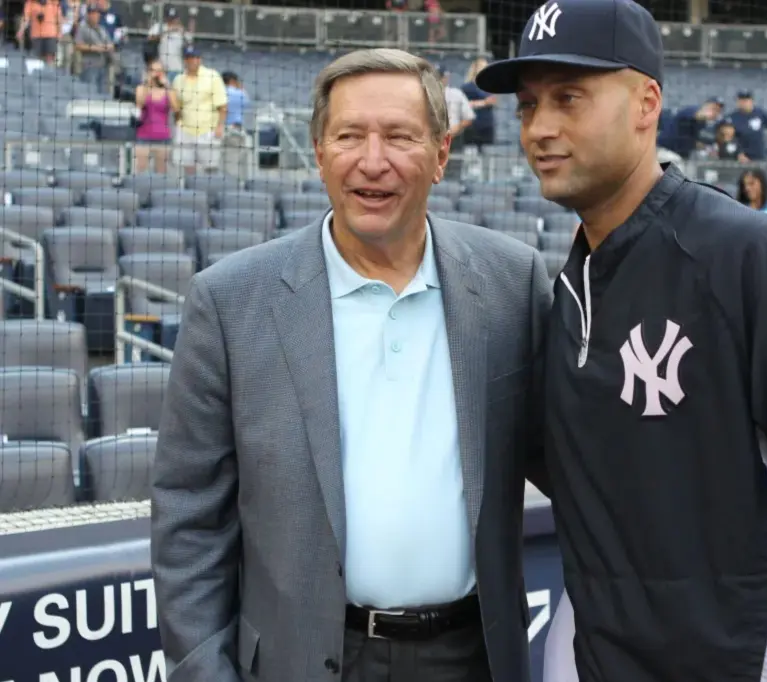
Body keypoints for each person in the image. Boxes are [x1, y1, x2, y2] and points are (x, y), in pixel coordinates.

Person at [475, 1, 767, 682]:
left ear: (646, 103)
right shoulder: (566, 292)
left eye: (570, 97)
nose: (540, 128)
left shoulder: (743, 254)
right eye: (528, 105)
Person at [151, 48, 552, 682]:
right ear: (318, 152)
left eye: (399, 137)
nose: (372, 161)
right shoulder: (230, 302)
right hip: (301, 661)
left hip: (471, 658)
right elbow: (189, 517)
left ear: (441, 154)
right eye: (348, 136)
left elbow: (570, 458)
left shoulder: (512, 282)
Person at [172, 45, 227, 174]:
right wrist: (178, 123)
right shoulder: (178, 80)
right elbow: (177, 107)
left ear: (200, 59)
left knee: (210, 168)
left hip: (207, 130)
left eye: (196, 58)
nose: (193, 61)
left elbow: (223, 105)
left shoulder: (212, 76)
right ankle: (188, 192)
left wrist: (220, 126)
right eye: (190, 58)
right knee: (185, 167)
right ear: (185, 60)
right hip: (185, 130)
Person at [134, 58, 177, 173]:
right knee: (141, 170)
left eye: (160, 71)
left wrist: (167, 86)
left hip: (163, 136)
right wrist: (148, 84)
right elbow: (140, 104)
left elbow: (176, 108)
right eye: (153, 70)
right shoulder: (141, 88)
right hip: (144, 135)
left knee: (161, 171)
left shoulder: (169, 90)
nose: (156, 74)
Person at [461, 58, 499, 148]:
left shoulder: (489, 86)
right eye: (482, 67)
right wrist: (484, 102)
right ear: (475, 68)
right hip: (473, 124)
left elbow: (494, 101)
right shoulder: (467, 87)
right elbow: (465, 104)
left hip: (487, 124)